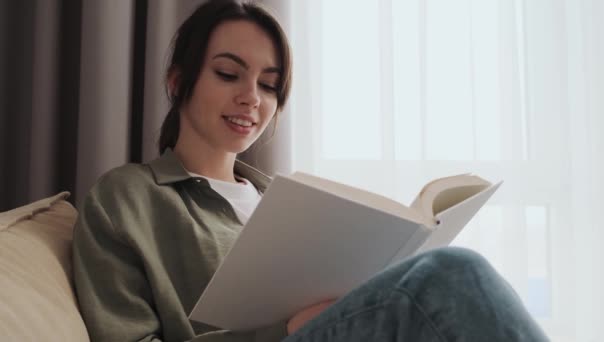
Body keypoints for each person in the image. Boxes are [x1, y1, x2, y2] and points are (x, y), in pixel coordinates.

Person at [72, 1, 550, 341]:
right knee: (452, 273)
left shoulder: (281, 201)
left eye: (270, 84)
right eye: (227, 73)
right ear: (179, 82)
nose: (251, 98)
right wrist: (284, 329)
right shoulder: (127, 198)